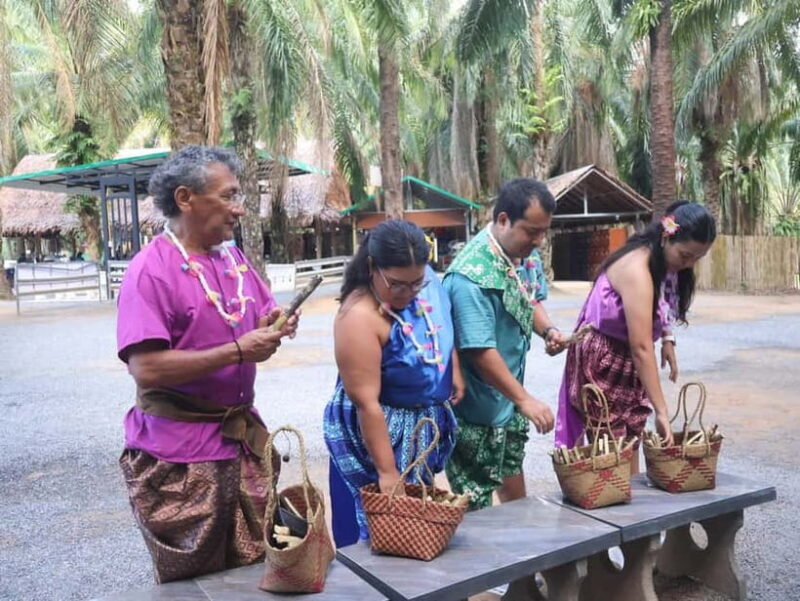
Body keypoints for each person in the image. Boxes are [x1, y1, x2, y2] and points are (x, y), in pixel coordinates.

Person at [116, 145, 298, 583]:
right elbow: (148, 369)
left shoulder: (233, 260)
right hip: (179, 457)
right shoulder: (150, 271)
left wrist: (276, 324)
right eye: (229, 196)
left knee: (257, 572)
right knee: (196, 584)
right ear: (185, 198)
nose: (239, 209)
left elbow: (257, 317)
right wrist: (238, 350)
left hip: (241, 444)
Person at [324, 220, 464, 547]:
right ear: (373, 267)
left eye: (417, 282)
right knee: (375, 522)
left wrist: (451, 369)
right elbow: (366, 403)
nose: (409, 292)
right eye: (397, 285)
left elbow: (440, 324)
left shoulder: (422, 280)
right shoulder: (358, 316)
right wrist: (387, 472)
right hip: (376, 430)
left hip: (418, 423)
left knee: (414, 521)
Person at [555, 201, 717, 472]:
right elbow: (641, 347)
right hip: (605, 357)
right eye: (686, 256)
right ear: (667, 236)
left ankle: (626, 497)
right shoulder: (637, 269)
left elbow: (661, 305)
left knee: (629, 441)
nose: (688, 265)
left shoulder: (661, 260)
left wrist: (667, 338)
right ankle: (613, 499)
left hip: (628, 358)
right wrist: (662, 411)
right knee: (610, 448)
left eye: (696, 259)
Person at [444, 178, 567, 511]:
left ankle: (521, 556)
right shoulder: (470, 276)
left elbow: (530, 299)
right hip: (478, 411)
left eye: (544, 232)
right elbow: (479, 351)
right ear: (502, 220)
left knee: (512, 481)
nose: (538, 241)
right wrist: (525, 399)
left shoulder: (521, 253)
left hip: (508, 401)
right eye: (531, 231)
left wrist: (549, 331)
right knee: (475, 505)